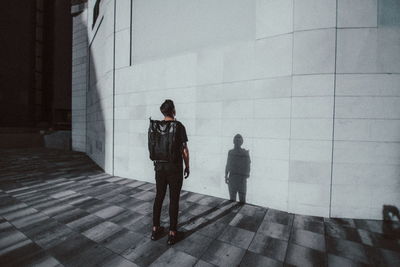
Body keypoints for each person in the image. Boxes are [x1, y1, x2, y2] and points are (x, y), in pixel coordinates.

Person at [150, 99, 189, 245]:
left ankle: (155, 229)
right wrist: (187, 166)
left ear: (163, 112)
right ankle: (172, 233)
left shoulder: (155, 126)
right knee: (174, 199)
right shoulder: (179, 126)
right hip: (174, 168)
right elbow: (184, 149)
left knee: (159, 197)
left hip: (159, 168)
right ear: (173, 110)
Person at [225, 134, 250, 203]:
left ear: (241, 142)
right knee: (232, 200)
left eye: (239, 141)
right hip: (233, 178)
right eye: (236, 141)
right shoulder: (231, 152)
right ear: (234, 141)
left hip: (241, 179)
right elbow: (227, 165)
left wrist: (245, 176)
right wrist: (226, 176)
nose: (237, 142)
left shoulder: (245, 153)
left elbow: (248, 166)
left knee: (242, 201)